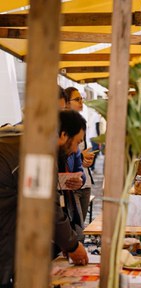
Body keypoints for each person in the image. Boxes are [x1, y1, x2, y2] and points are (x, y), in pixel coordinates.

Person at [0, 110, 89, 287]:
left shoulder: (26, 140)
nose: (75, 150)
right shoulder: (38, 151)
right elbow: (47, 208)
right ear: (63, 135)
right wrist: (72, 245)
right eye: (77, 142)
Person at [64, 87, 95, 232]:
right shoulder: (62, 126)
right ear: (66, 103)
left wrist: (87, 160)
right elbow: (66, 155)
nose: (81, 102)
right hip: (70, 184)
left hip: (85, 182)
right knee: (76, 229)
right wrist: (81, 156)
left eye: (81, 98)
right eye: (77, 99)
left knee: (80, 226)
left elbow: (79, 153)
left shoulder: (81, 124)